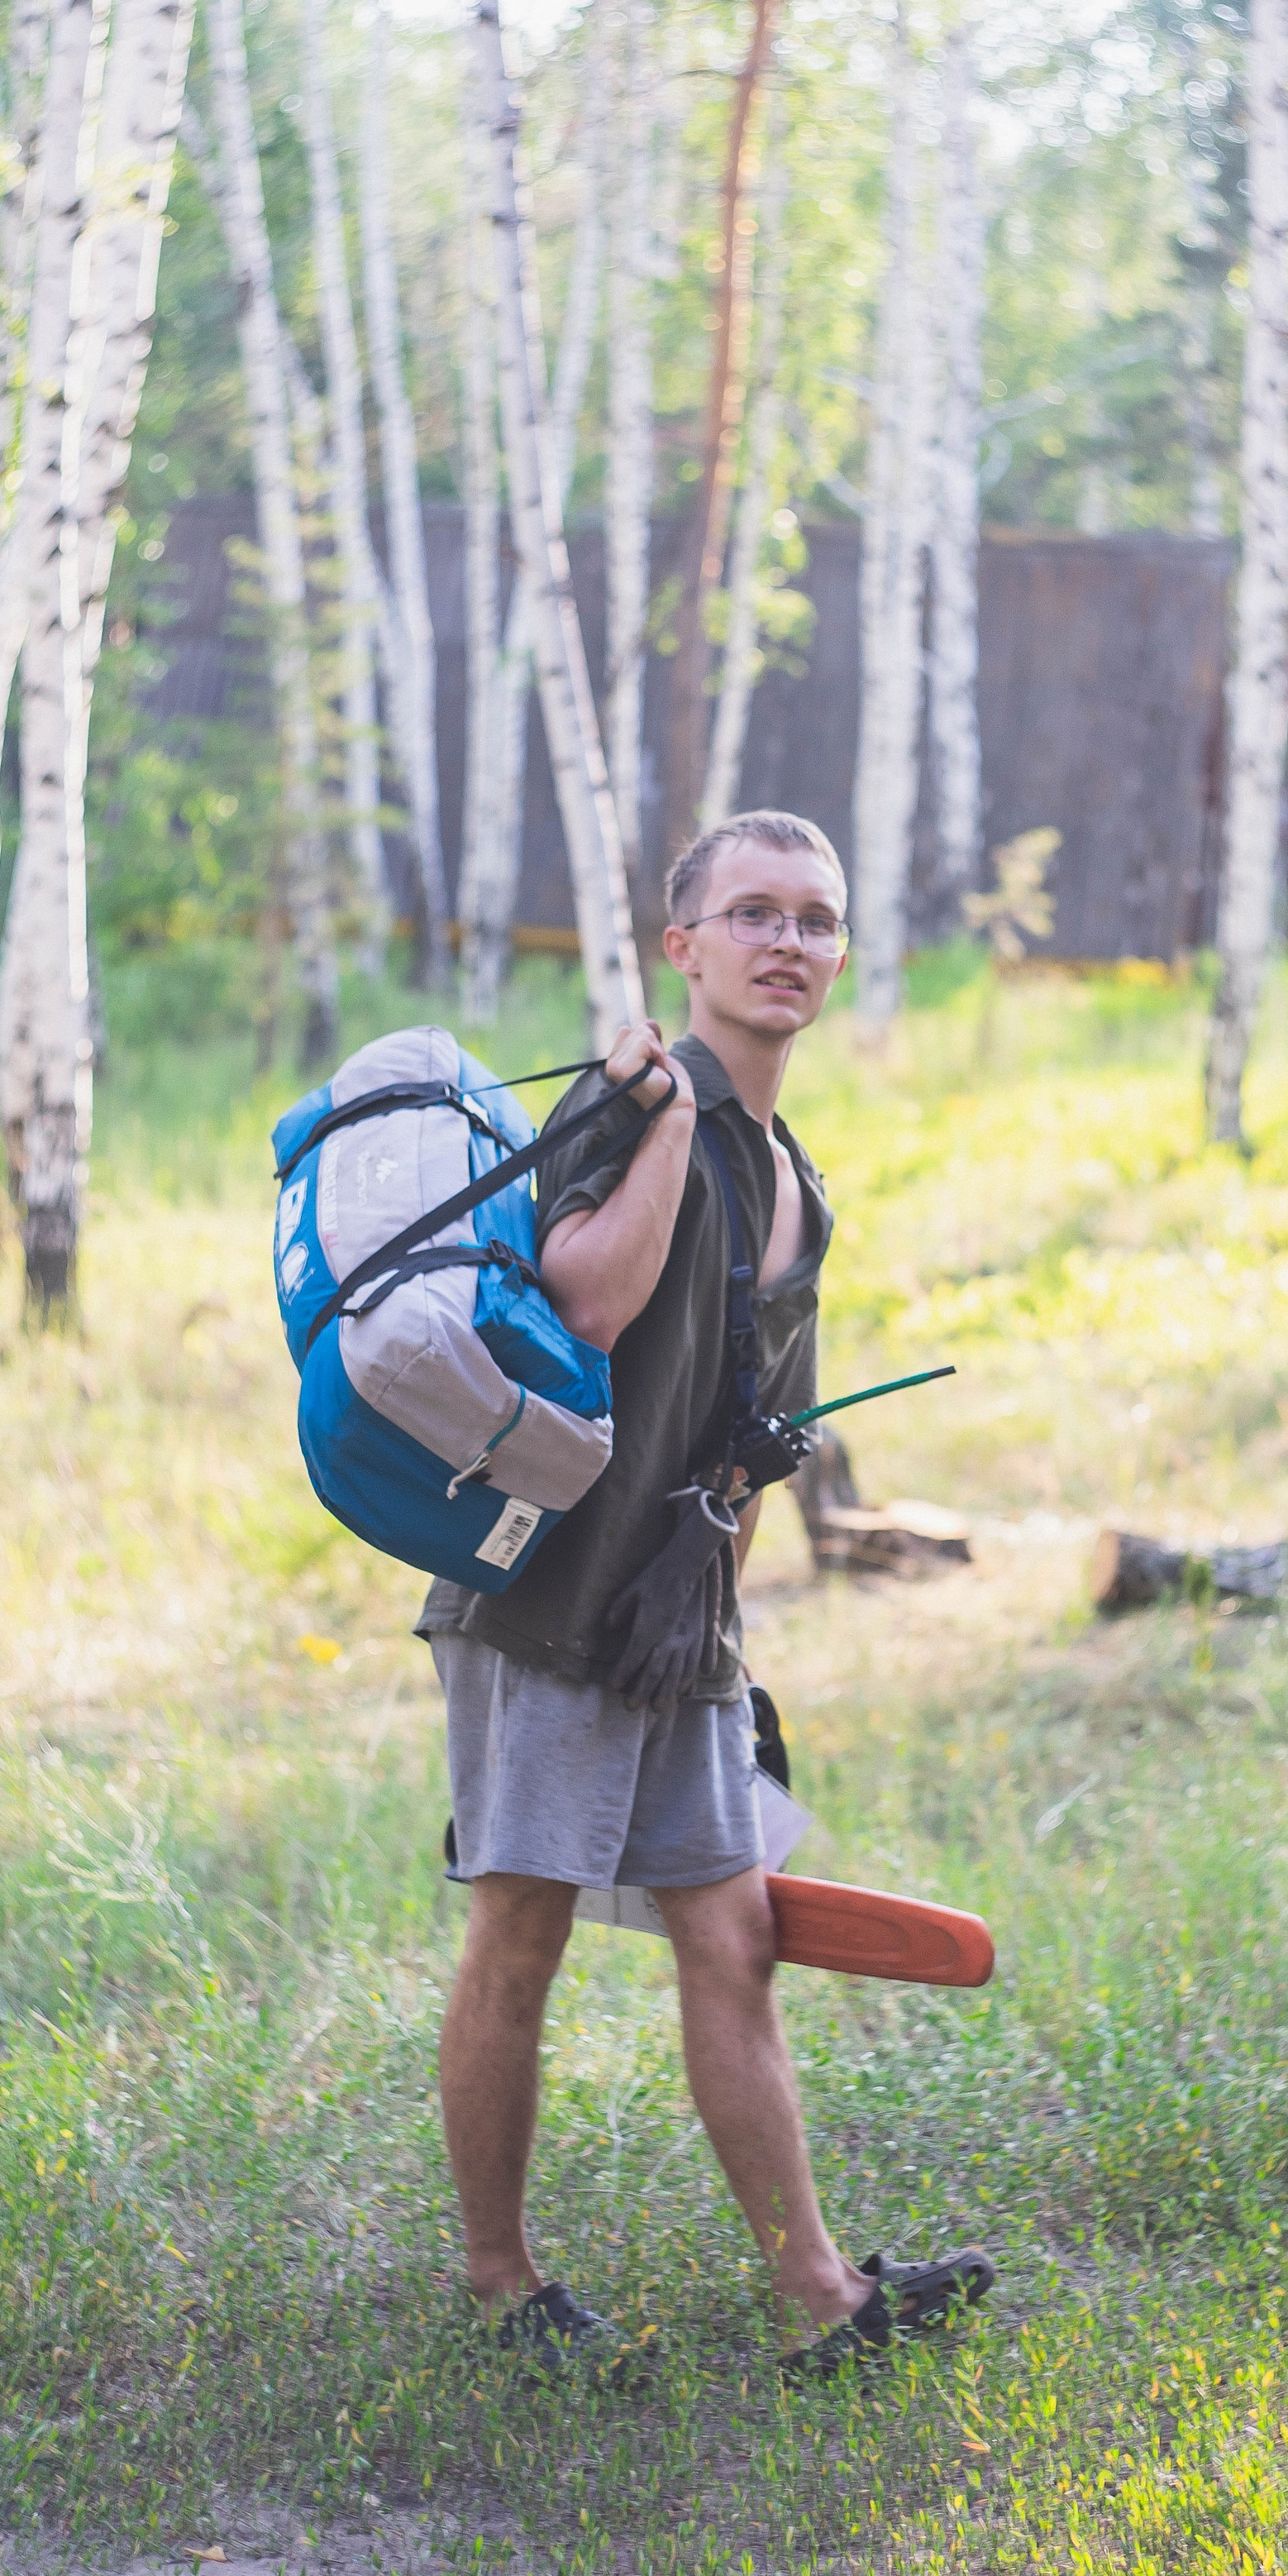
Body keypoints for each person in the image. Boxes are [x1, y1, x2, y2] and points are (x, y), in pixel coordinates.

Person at [419, 809, 994, 2381]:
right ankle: (496, 2284)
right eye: (753, 914)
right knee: (519, 1939)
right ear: (685, 946)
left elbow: (746, 1443)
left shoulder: (796, 1165)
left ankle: (824, 2293)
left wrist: (728, 1643)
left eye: (817, 918)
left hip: (679, 1625)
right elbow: (590, 1303)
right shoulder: (633, 1109)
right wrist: (664, 1125)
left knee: (729, 1942)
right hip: (547, 1596)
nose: (788, 943)